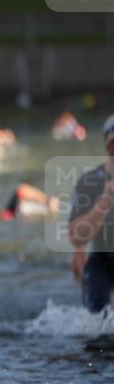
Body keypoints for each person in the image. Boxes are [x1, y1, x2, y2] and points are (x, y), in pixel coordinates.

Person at [68, 116, 114, 313]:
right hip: (103, 261)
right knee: (97, 319)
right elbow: (76, 236)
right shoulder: (91, 182)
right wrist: (106, 200)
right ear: (110, 146)